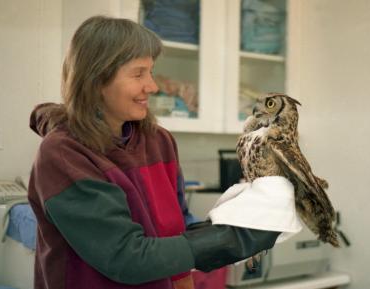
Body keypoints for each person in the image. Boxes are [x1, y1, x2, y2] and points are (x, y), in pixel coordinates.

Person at [28, 15, 280, 289]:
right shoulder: (64, 155)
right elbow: (124, 257)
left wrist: (231, 221)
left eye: (151, 71)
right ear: (96, 80)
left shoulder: (159, 141)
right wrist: (229, 240)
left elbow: (178, 226)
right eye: (138, 74)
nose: (152, 86)